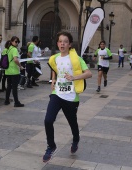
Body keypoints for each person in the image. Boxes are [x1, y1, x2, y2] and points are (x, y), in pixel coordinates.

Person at [43, 31, 92, 163]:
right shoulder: (55, 58)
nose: (62, 43)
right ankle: (51, 146)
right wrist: (53, 79)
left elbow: (88, 74)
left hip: (71, 97)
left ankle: (76, 139)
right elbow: (55, 68)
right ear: (58, 43)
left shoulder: (76, 59)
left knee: (72, 123)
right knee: (48, 120)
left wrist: (74, 77)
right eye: (60, 41)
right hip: (57, 94)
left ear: (69, 44)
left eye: (65, 41)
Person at [4, 36, 24, 107]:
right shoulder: (14, 50)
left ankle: (6, 100)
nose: (17, 43)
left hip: (7, 71)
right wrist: (20, 66)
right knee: (14, 87)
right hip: (14, 71)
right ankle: (16, 102)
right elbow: (15, 60)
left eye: (18, 42)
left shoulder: (7, 49)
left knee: (9, 86)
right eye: (15, 41)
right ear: (12, 41)